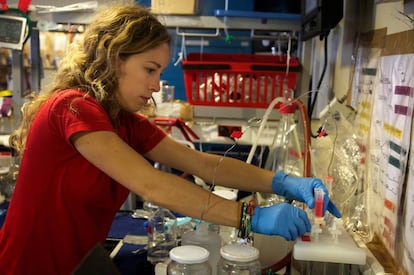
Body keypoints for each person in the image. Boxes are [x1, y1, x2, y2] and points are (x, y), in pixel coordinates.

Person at [0, 3, 341, 274]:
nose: (156, 85)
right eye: (149, 69)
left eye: (159, 72)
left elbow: (202, 164)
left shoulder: (123, 121)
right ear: (112, 58)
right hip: (29, 265)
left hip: (79, 262)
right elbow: (152, 185)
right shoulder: (72, 107)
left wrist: (284, 183)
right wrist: (250, 217)